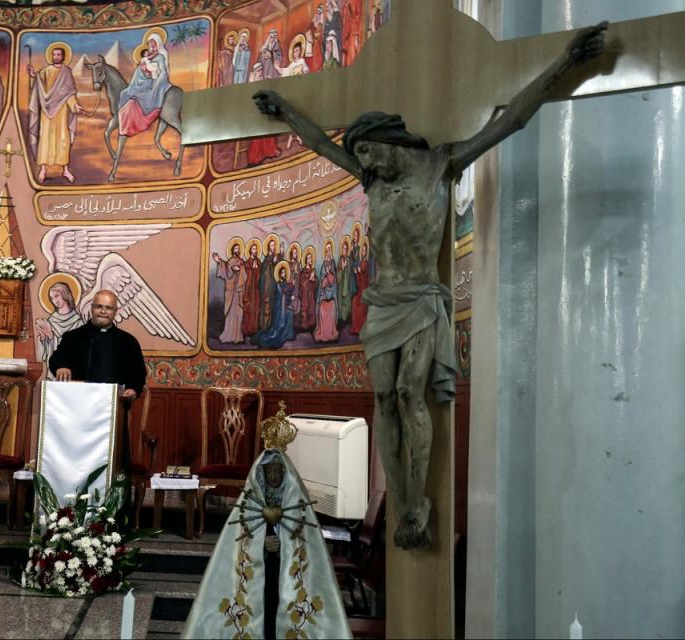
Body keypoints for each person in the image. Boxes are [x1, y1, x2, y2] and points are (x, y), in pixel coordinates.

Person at [253, 22, 608, 549]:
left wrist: (566, 63)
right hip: (381, 302)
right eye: (362, 156)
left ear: (390, 141)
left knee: (407, 392)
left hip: (420, 299)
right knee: (382, 397)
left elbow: (512, 119)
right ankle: (401, 501)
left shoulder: (441, 163)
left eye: (370, 152)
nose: (365, 164)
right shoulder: (371, 176)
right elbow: (320, 145)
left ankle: (417, 500)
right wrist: (284, 110)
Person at [181, 449, 351, 639]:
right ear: (261, 473)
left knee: (282, 604)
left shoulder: (297, 501)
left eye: (277, 471)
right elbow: (241, 540)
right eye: (269, 471)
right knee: (261, 606)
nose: (273, 476)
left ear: (285, 473)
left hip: (284, 571)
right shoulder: (249, 502)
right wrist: (261, 544)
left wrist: (284, 546)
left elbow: (303, 539)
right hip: (259, 570)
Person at [49, 289, 147, 485]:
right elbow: (57, 359)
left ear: (115, 311)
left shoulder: (128, 342)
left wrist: (133, 390)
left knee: (113, 464)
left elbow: (138, 373)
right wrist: (61, 366)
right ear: (92, 309)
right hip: (77, 414)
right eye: (99, 306)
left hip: (112, 414)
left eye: (108, 308)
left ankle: (112, 511)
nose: (103, 311)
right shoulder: (73, 337)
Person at [28, 42, 81, 184]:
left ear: (63, 56)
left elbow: (69, 92)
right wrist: (34, 76)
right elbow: (39, 84)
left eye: (59, 54)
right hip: (47, 110)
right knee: (45, 139)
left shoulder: (66, 72)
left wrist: (75, 106)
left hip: (61, 111)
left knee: (63, 140)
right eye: (54, 54)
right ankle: (43, 169)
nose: (56, 57)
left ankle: (65, 169)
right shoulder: (45, 71)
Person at [118, 32, 172, 138]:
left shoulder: (160, 57)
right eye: (149, 42)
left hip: (155, 83)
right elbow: (140, 73)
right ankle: (125, 124)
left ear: (158, 43)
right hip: (142, 83)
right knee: (124, 93)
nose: (151, 44)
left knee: (134, 101)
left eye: (153, 42)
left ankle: (133, 125)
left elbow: (163, 73)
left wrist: (156, 83)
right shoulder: (147, 57)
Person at [35, 281, 84, 375]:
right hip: (53, 372)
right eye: (52, 298)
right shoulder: (51, 320)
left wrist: (51, 336)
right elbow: (41, 357)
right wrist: (43, 338)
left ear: (65, 294)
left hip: (72, 372)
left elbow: (78, 350)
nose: (54, 300)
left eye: (57, 296)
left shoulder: (78, 322)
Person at [245, 63, 281, 167]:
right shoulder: (250, 85)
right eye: (258, 71)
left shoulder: (264, 82)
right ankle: (254, 159)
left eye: (261, 70)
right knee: (259, 128)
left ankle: (269, 150)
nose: (260, 73)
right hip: (252, 115)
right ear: (255, 73)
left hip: (263, 112)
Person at [254, 262, 296, 349]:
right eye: (283, 273)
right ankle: (282, 334)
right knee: (288, 314)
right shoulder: (278, 285)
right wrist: (288, 297)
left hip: (284, 306)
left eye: (285, 272)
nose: (284, 274)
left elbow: (288, 291)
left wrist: (291, 292)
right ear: (280, 274)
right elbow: (281, 297)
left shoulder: (285, 283)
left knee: (290, 313)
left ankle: (288, 335)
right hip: (279, 310)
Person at [212, 240, 246, 344]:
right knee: (231, 313)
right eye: (235, 248)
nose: (237, 250)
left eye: (238, 248)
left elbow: (244, 276)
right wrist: (220, 261)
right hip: (231, 292)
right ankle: (229, 335)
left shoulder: (241, 262)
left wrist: (239, 270)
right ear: (232, 250)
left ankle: (238, 336)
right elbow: (226, 270)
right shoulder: (230, 261)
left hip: (238, 292)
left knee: (239, 313)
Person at [313, 242, 339, 342]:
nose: (328, 252)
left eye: (330, 249)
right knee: (322, 309)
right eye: (327, 250)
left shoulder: (332, 264)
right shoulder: (324, 265)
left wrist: (329, 276)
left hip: (331, 296)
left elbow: (333, 283)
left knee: (332, 307)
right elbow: (323, 284)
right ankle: (323, 332)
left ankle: (330, 332)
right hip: (324, 296)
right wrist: (328, 277)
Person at [242, 240, 261, 337]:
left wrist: (257, 269)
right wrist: (252, 270)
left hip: (256, 290)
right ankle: (247, 330)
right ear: (250, 251)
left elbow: (260, 277)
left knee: (256, 309)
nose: (255, 250)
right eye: (253, 249)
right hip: (249, 291)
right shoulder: (247, 263)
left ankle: (255, 329)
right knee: (249, 310)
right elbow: (246, 277)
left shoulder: (258, 262)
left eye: (256, 249)